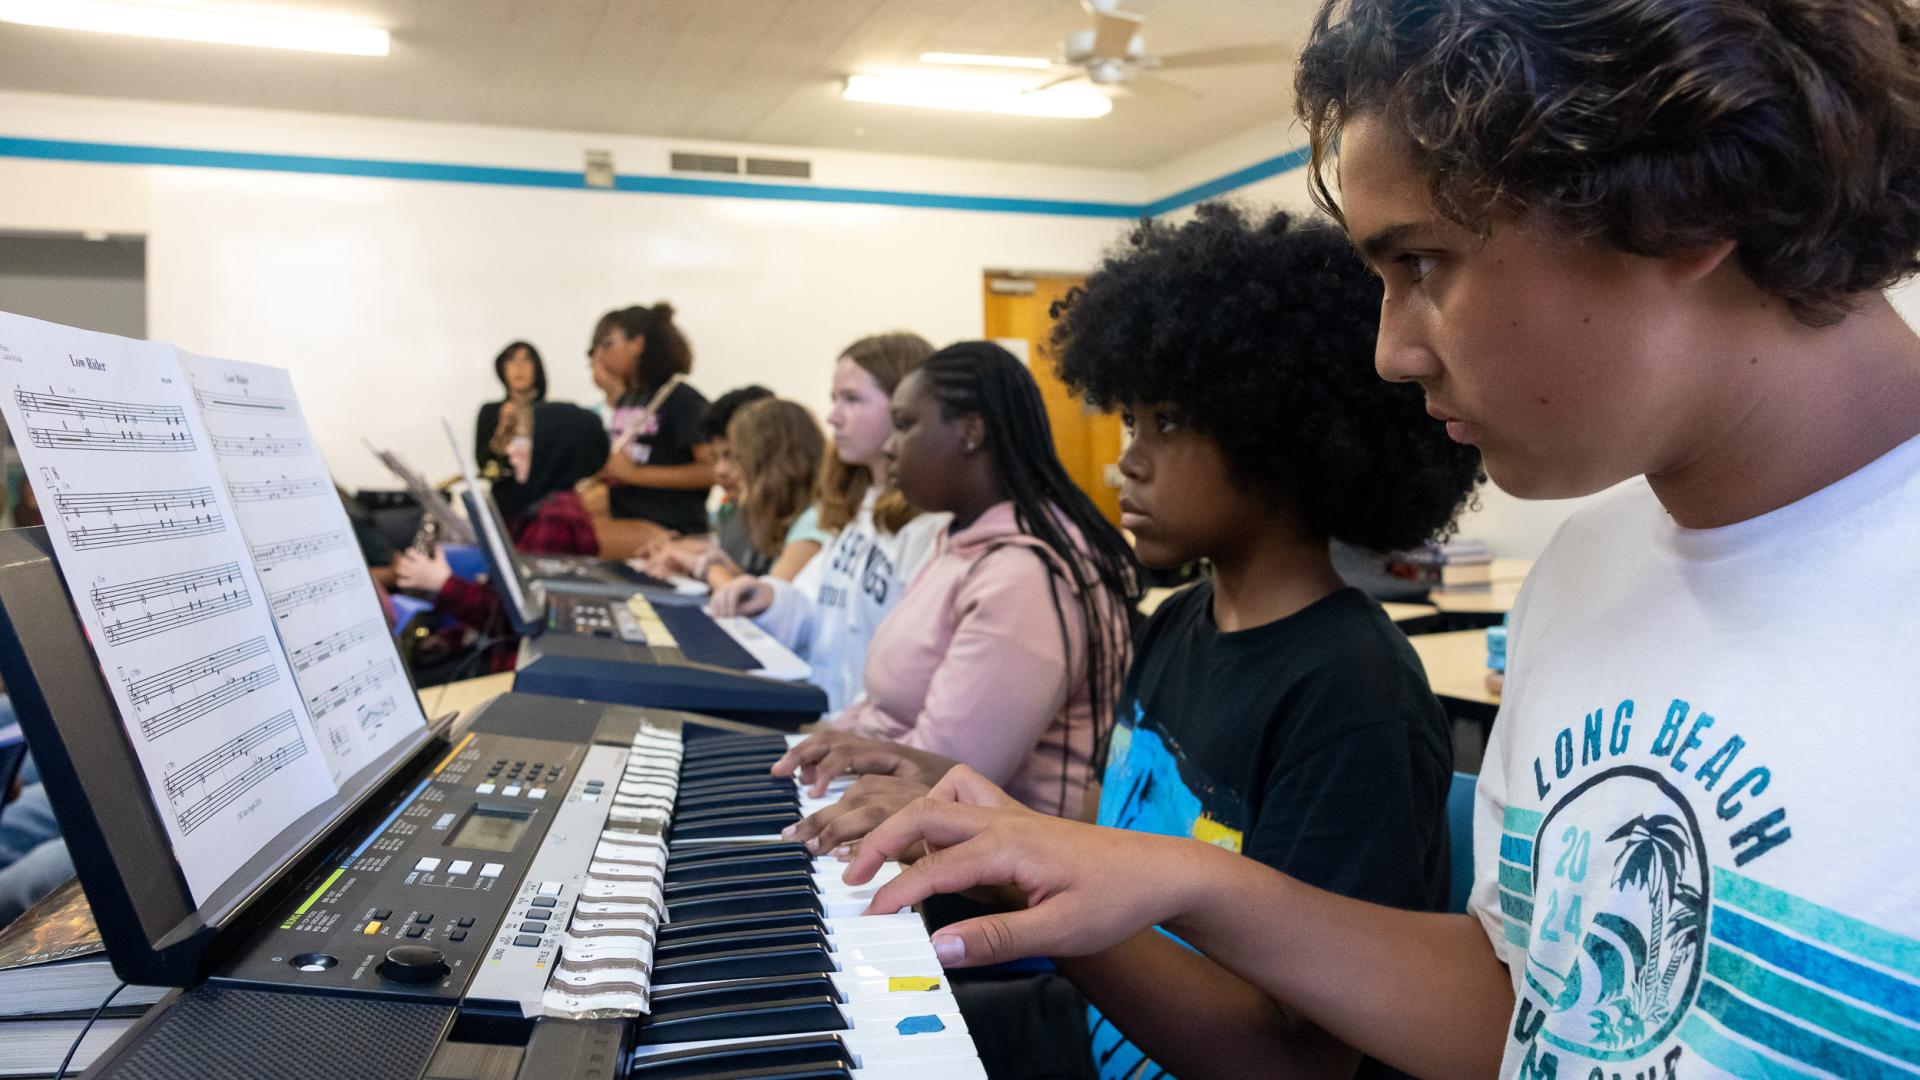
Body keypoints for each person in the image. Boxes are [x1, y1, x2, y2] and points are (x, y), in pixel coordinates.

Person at [847, 1, 1920, 1077]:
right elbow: (1522, 1006)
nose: (1391, 354)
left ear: (1686, 203)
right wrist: (1183, 879)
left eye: (1422, 264)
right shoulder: (1585, 572)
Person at [784, 211, 1482, 1080]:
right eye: (1131, 423)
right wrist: (982, 812)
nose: (1127, 465)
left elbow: (1292, 1061)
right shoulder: (1180, 622)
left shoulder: (1352, 695)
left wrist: (1021, 882)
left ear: (1280, 436)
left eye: (1169, 425)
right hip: (1102, 1029)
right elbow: (1128, 836)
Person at [711, 333, 946, 714]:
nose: (833, 416)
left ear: (906, 408)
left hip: (870, 740)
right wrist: (768, 598)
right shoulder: (855, 508)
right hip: (829, 723)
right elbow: (813, 608)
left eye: (852, 399)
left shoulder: (930, 525)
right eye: (834, 399)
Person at [396, 402, 608, 671]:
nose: (511, 450)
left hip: (514, 666)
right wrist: (455, 636)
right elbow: (502, 595)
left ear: (552, 449)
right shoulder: (546, 506)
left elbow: (520, 618)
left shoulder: (558, 517)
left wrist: (442, 583)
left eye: (524, 440)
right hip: (501, 650)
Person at [650, 397, 833, 589]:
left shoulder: (813, 521)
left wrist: (706, 566)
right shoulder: (786, 516)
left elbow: (765, 604)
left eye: (736, 457)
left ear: (773, 462)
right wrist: (723, 567)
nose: (727, 470)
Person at [589, 303, 714, 550]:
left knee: (575, 537)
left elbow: (710, 471)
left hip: (670, 528)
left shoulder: (681, 398)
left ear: (637, 343)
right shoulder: (629, 398)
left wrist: (635, 474)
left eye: (607, 343)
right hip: (625, 515)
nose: (599, 354)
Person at [474, 340, 547, 489]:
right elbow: (484, 466)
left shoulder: (550, 414)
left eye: (526, 360)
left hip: (544, 497)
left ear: (537, 368)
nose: (519, 367)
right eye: (512, 360)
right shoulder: (490, 412)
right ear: (503, 368)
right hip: (506, 498)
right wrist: (502, 434)